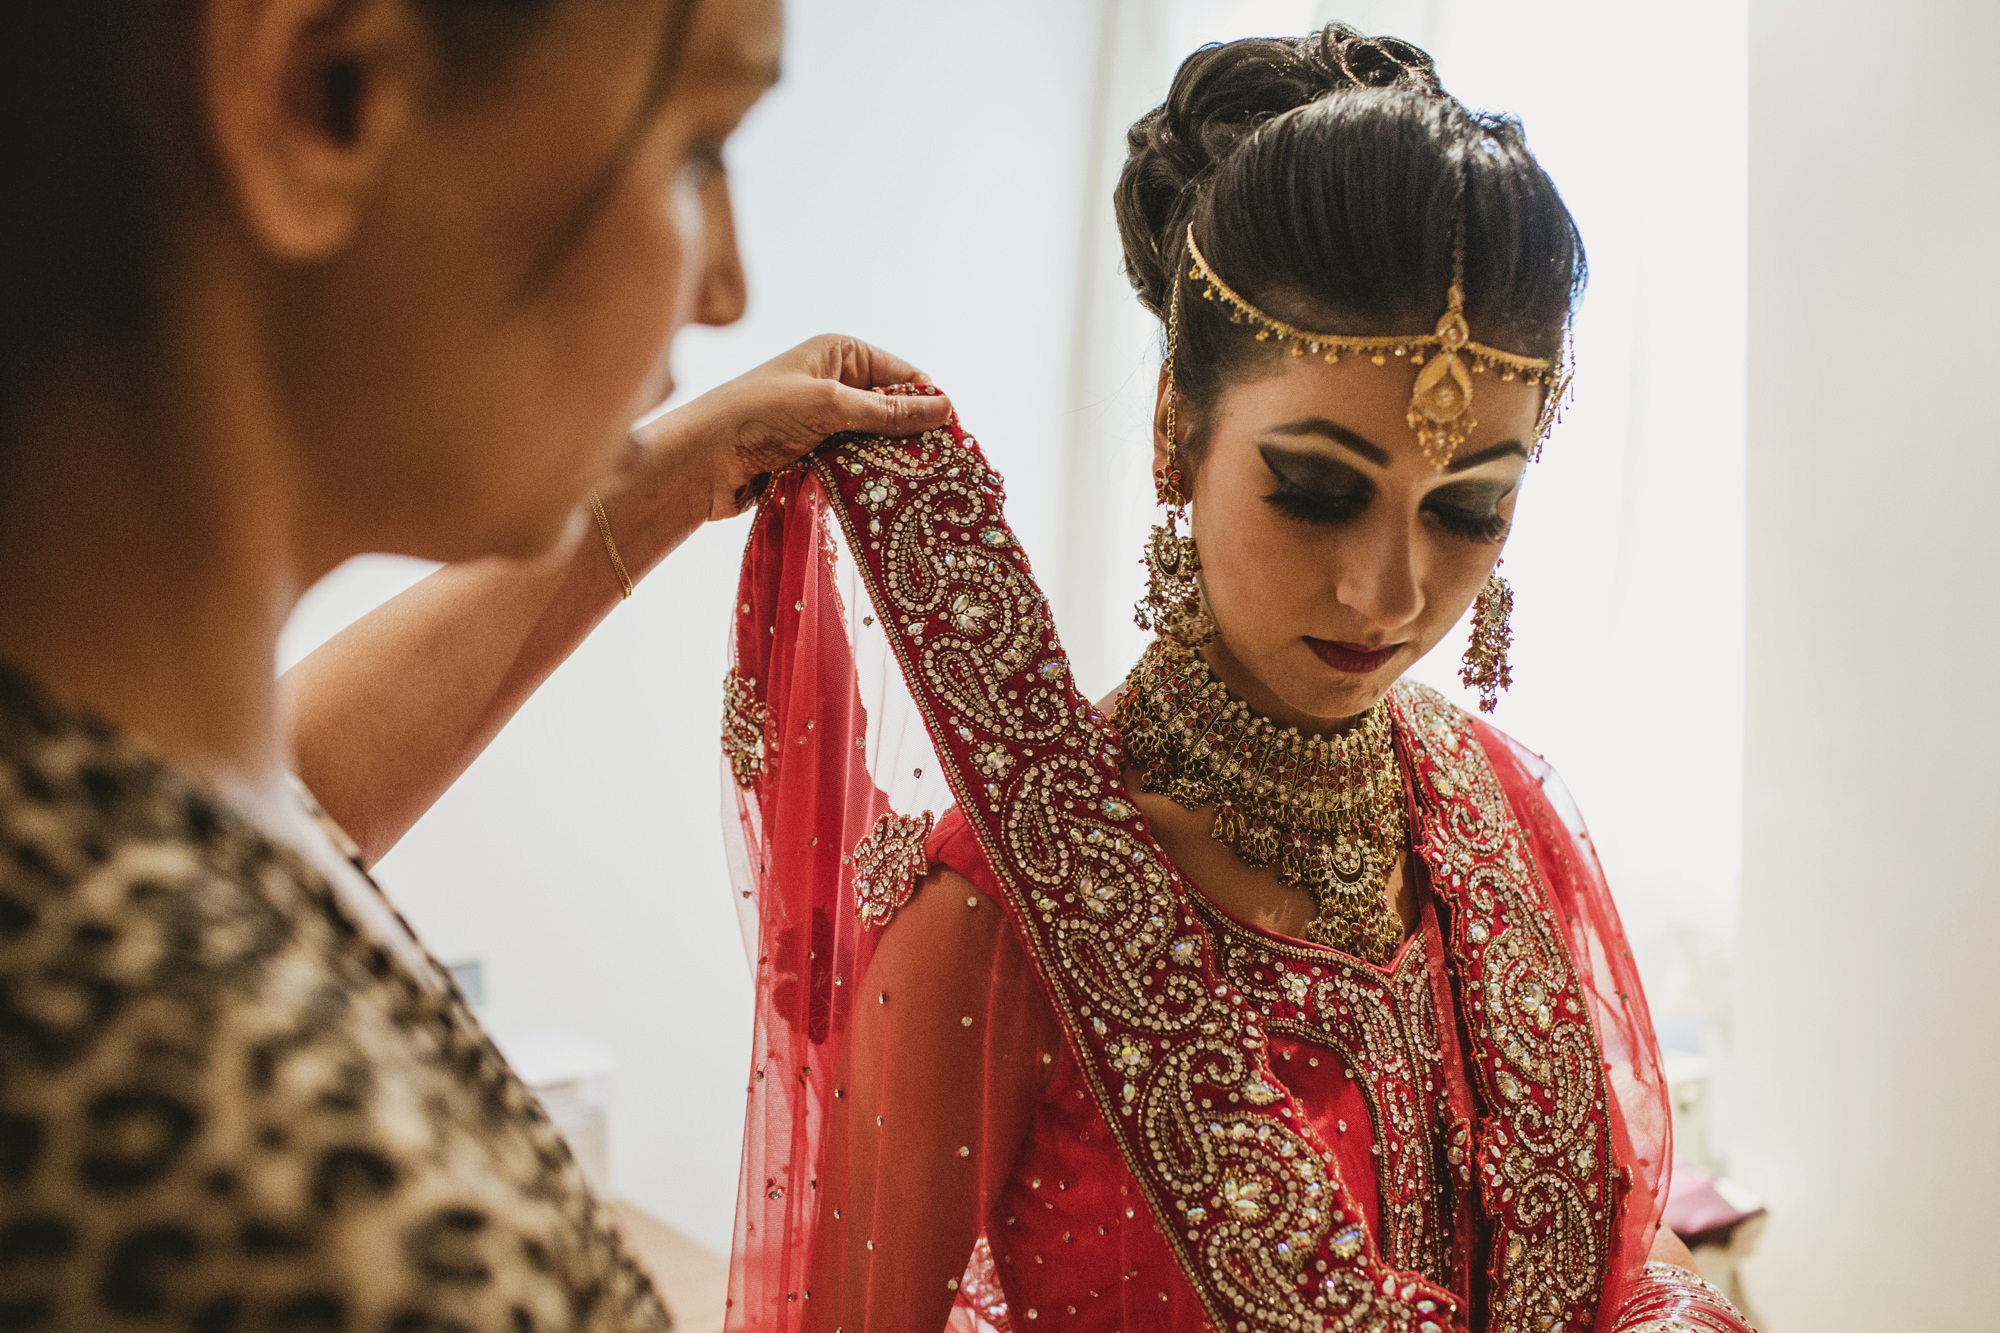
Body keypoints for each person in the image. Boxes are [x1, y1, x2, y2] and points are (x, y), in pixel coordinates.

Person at [723, 26, 1756, 1333]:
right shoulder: (1003, 912)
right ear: (1176, 430)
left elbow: (1617, 1262)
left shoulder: (1502, 816)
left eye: (1467, 507)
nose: (1388, 590)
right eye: (1318, 490)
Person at [0, 0, 948, 1326]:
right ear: (325, 96)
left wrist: (672, 466)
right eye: (695, 148)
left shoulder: (111, 772)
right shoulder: (249, 1166)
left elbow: (291, 800)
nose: (724, 285)